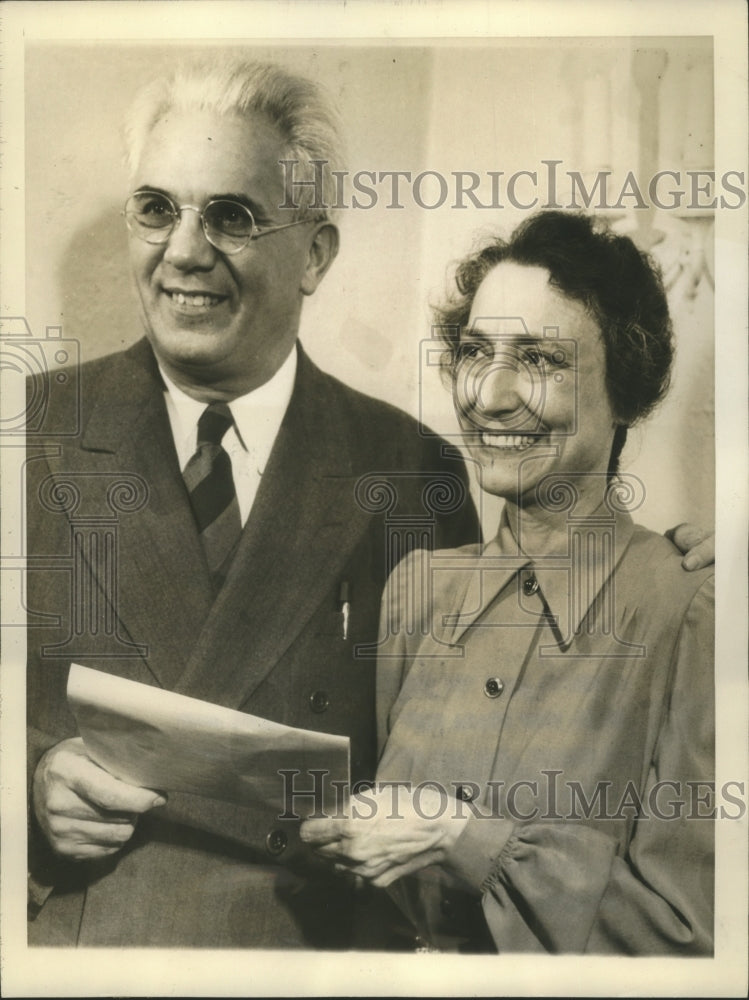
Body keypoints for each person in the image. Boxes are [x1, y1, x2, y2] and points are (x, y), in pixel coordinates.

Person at [25, 58, 480, 949]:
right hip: (81, 943)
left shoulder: (410, 471)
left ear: (314, 254)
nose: (184, 251)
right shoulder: (28, 435)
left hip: (309, 952)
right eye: (157, 208)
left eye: (230, 216)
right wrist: (26, 787)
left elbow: (456, 768)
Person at [301, 211, 715, 955]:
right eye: (473, 352)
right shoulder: (417, 590)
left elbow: (690, 940)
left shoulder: (690, 607)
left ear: (624, 390)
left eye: (540, 359)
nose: (489, 396)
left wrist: (462, 838)